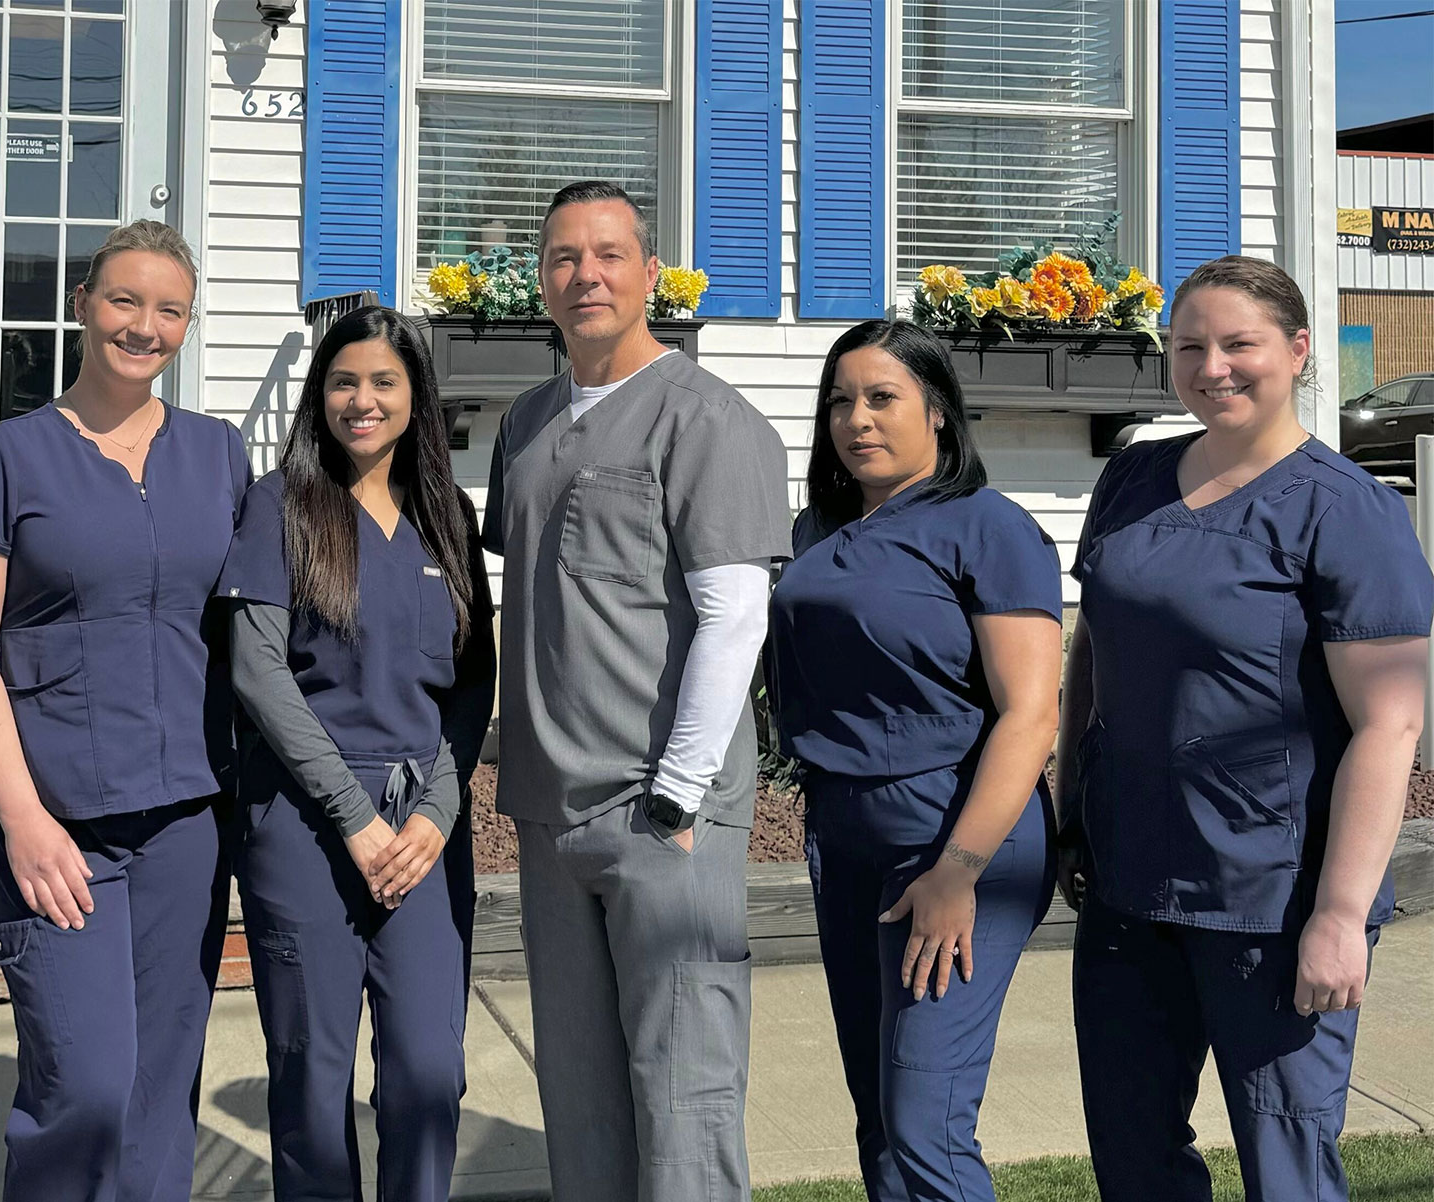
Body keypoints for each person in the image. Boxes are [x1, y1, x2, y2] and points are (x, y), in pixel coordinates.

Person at [1059, 255, 1432, 1202]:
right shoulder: (1134, 477)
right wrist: (1074, 808)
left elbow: (1390, 723)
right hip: (1130, 876)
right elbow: (1091, 653)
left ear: (1299, 351)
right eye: (1190, 346)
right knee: (1134, 1158)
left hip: (1273, 897)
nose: (1212, 366)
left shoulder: (1347, 509)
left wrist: (1341, 917)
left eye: (1239, 344)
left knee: (1288, 1168)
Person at [0, 220, 249, 1202]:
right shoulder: (7, 455)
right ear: (81, 304)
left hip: (188, 811)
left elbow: (257, 629)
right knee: (86, 1084)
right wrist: (21, 817)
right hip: (58, 811)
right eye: (123, 300)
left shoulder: (219, 454)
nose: (143, 326)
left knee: (160, 1086)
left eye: (168, 309)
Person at [481, 181, 787, 1202]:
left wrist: (680, 790)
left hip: (662, 814)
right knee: (582, 1100)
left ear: (652, 273)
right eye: (564, 257)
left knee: (684, 1095)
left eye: (609, 254)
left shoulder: (708, 418)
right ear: (541, 278)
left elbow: (734, 613)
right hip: (547, 811)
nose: (586, 275)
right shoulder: (526, 422)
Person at [764, 320, 1062, 1201]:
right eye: (840, 401)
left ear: (938, 410)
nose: (857, 419)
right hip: (844, 835)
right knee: (880, 1116)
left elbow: (1030, 714)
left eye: (882, 397)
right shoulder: (818, 528)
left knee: (926, 1121)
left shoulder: (988, 528)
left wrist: (957, 869)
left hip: (956, 835)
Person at [218, 306, 495, 1202]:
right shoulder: (280, 506)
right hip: (304, 823)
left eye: (384, 382)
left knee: (427, 1074)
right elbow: (258, 673)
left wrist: (436, 813)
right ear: (319, 395)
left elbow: (471, 685)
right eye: (344, 382)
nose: (362, 400)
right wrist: (354, 819)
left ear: (416, 395)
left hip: (421, 831)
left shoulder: (448, 516)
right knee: (309, 1079)